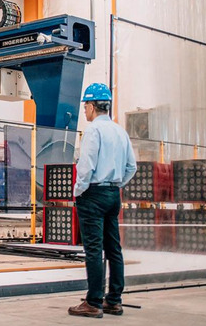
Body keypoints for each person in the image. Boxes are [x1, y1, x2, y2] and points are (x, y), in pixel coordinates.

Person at [68, 83, 137, 319]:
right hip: (113, 194)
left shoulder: (93, 131)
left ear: (90, 106)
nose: (84, 111)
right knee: (114, 248)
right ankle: (114, 300)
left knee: (94, 250)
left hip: (93, 194)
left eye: (85, 106)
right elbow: (132, 166)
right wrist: (117, 184)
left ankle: (93, 301)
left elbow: (85, 167)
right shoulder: (120, 131)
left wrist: (78, 191)